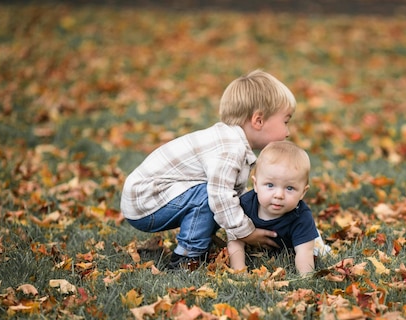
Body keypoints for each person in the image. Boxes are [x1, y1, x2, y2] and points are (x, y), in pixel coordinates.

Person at [120, 69, 294, 270]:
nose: (288, 132)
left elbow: (233, 199)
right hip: (145, 201)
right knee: (211, 195)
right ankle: (186, 257)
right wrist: (245, 233)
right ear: (258, 120)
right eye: (286, 122)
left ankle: (200, 237)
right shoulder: (229, 148)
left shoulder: (233, 142)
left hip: (152, 197)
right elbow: (220, 197)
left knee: (220, 197)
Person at [227, 141, 321, 275]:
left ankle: (318, 240)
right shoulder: (245, 205)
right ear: (255, 184)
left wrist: (305, 278)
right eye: (270, 185)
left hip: (294, 242)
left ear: (303, 192)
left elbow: (304, 251)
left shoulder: (301, 216)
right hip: (256, 245)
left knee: (313, 246)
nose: (279, 195)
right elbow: (235, 239)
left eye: (289, 188)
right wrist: (239, 270)